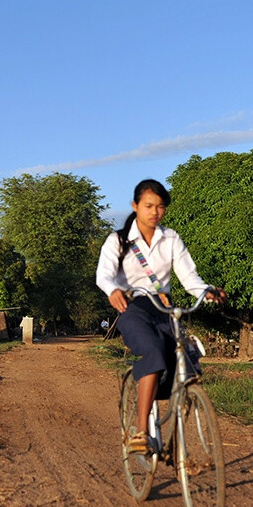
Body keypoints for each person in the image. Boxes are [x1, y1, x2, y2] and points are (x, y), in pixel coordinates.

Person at [95, 179, 223, 455]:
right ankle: (140, 431)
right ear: (135, 206)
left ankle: (179, 442)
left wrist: (206, 290)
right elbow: (103, 274)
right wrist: (113, 290)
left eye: (160, 206)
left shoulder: (171, 238)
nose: (155, 212)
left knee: (184, 363)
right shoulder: (118, 241)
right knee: (153, 355)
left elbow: (190, 277)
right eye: (148, 206)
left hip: (164, 308)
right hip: (132, 309)